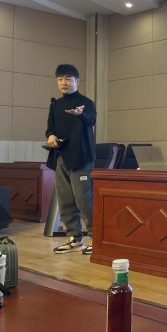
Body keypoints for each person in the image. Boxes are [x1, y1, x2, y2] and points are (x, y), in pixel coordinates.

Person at [45, 64, 96, 255]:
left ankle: (96, 237)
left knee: (84, 200)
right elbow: (50, 129)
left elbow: (91, 120)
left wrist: (81, 114)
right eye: (60, 79)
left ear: (77, 81)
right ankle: (75, 238)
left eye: (68, 78)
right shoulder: (55, 105)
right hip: (61, 157)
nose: (63, 82)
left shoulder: (86, 102)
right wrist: (50, 137)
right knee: (65, 200)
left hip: (81, 157)